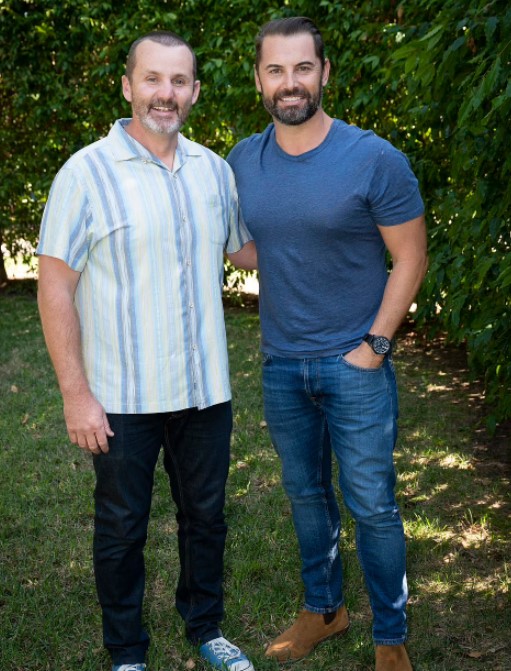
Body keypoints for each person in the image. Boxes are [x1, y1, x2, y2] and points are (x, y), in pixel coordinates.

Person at [37, 30, 257, 671]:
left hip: (204, 389)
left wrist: (329, 251)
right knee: (122, 528)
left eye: (179, 81)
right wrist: (76, 396)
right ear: (129, 86)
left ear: (194, 91)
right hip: (122, 397)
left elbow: (244, 250)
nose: (167, 93)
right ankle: (128, 653)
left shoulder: (213, 171)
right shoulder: (84, 173)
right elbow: (55, 287)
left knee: (207, 518)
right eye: (153, 79)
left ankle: (205, 627)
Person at [227, 17, 427, 671]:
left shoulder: (372, 157)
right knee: (306, 494)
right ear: (258, 78)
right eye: (275, 69)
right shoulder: (241, 161)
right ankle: (324, 608)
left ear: (324, 73)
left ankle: (389, 635)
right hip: (282, 360)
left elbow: (410, 256)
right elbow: (256, 249)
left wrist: (374, 344)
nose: (290, 82)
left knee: (371, 501)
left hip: (355, 361)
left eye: (302, 67)